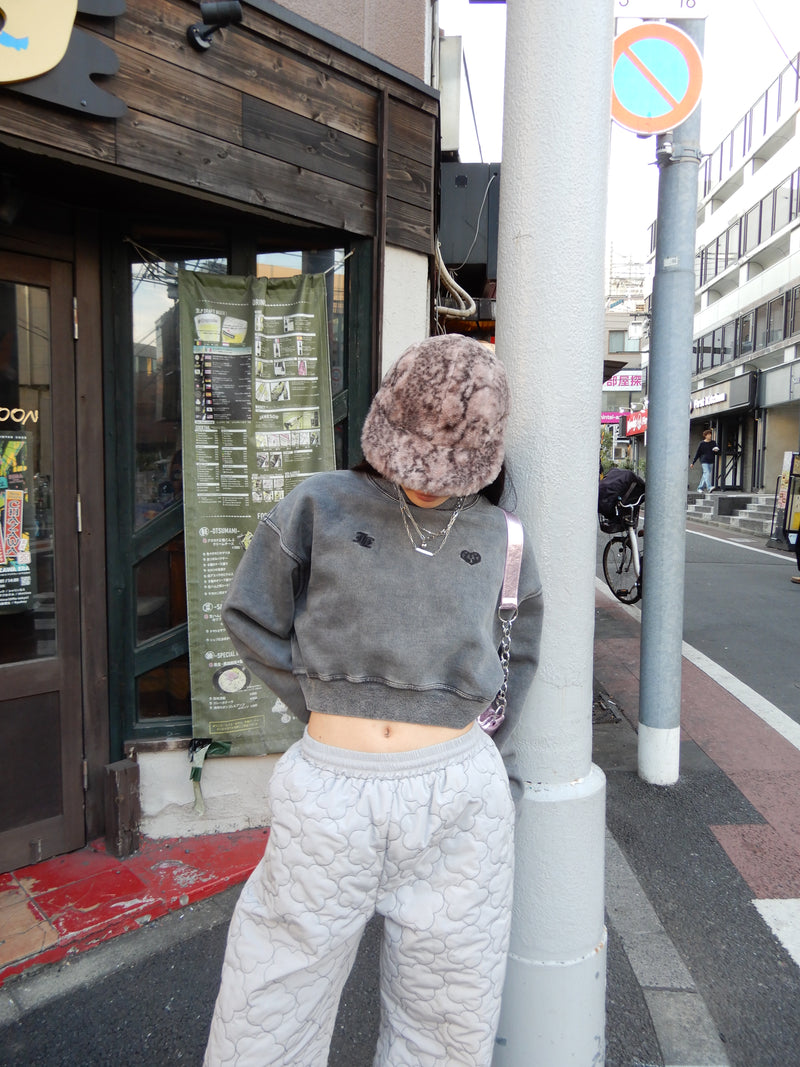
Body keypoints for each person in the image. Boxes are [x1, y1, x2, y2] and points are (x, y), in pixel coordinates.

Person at [203, 334, 544, 1067]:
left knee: (449, 1016)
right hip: (330, 786)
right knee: (269, 1001)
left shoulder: (501, 535)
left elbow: (519, 647)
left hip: (460, 793)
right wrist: (323, 702)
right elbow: (251, 614)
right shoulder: (321, 503)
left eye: (450, 465)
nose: (429, 480)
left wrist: (479, 736)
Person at [691, 428, 719, 493]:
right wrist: (693, 462)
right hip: (704, 460)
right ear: (705, 436)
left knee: (705, 474)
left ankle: (699, 488)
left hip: (711, 460)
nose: (710, 436)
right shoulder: (702, 443)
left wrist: (716, 450)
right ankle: (709, 487)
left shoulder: (713, 443)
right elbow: (698, 453)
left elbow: (717, 452)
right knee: (707, 473)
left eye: (710, 434)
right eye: (708, 434)